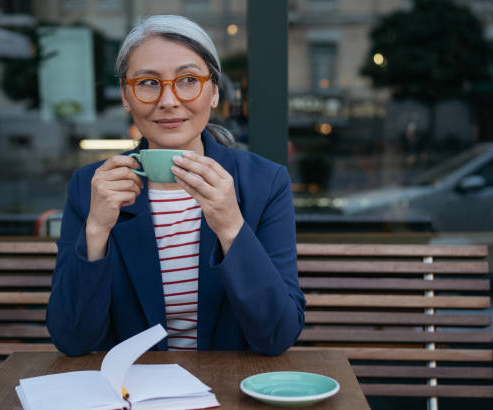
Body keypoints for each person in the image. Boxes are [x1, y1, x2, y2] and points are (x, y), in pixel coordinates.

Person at [46, 15, 305, 356]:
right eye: (148, 83)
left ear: (213, 92)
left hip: (230, 392)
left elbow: (278, 334)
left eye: (187, 80)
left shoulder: (263, 183)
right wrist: (96, 228)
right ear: (126, 95)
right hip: (134, 394)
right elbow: (71, 339)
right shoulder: (92, 186)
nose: (168, 100)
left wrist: (230, 226)